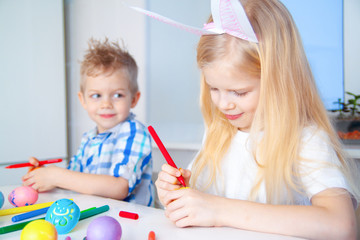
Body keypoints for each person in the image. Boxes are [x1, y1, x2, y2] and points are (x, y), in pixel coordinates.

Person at [155, 0, 360, 239]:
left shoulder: (306, 139)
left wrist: (219, 210)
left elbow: (342, 226)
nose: (223, 104)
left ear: (279, 80)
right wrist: (177, 194)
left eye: (239, 92)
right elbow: (202, 205)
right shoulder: (220, 133)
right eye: (214, 88)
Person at [22, 38, 154, 206]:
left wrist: (56, 175)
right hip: (96, 216)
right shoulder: (89, 138)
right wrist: (44, 175)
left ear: (134, 99)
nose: (106, 104)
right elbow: (73, 179)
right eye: (96, 95)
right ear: (82, 99)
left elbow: (120, 187)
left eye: (117, 95)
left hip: (132, 221)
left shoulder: (134, 132)